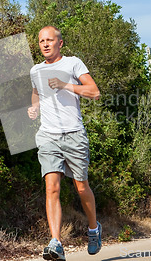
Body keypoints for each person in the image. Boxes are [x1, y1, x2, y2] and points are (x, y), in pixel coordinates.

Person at [28, 26, 102, 261]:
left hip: (73, 135)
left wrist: (64, 85)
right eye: (41, 41)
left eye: (50, 40)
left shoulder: (73, 63)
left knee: (81, 188)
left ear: (60, 43)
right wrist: (35, 107)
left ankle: (93, 229)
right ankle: (56, 243)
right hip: (48, 135)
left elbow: (94, 92)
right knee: (51, 187)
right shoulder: (35, 70)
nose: (45, 44)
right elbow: (36, 92)